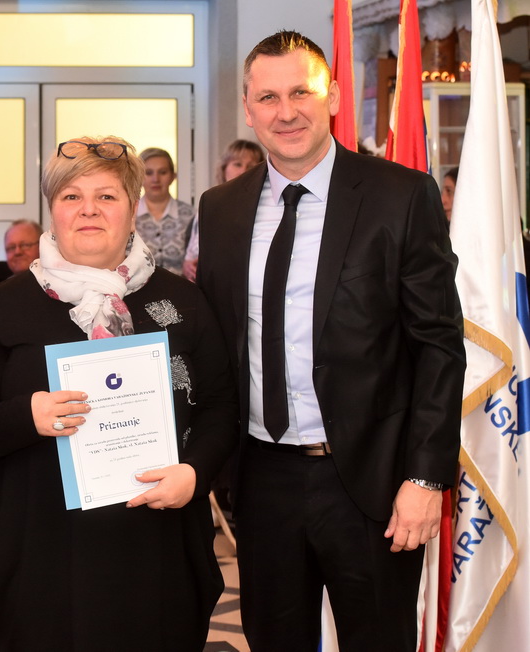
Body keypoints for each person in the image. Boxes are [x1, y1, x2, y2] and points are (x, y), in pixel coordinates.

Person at [196, 31, 465, 651]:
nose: (285, 112)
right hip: (261, 480)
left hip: (372, 484)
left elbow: (439, 346)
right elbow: (215, 341)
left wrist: (425, 479)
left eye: (302, 92)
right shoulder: (221, 208)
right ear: (248, 108)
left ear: (335, 97)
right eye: (268, 97)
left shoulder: (401, 195)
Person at [0, 136, 233, 651]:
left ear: (133, 206)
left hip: (158, 550)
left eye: (106, 196)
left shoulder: (182, 300)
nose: (89, 210)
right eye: (71, 196)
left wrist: (195, 473)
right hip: (39, 552)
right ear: (52, 209)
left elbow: (220, 407)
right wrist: (26, 415)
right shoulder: (6, 304)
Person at [183, 139, 265, 281]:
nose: (243, 170)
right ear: (224, 168)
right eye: (237, 164)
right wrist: (188, 265)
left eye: (251, 166)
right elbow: (191, 255)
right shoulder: (210, 203)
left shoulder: (265, 206)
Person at [134, 147, 195, 275]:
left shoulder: (191, 215)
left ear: (173, 176)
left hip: (180, 286)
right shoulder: (128, 215)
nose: (155, 179)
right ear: (139, 177)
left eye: (162, 172)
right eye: (149, 173)